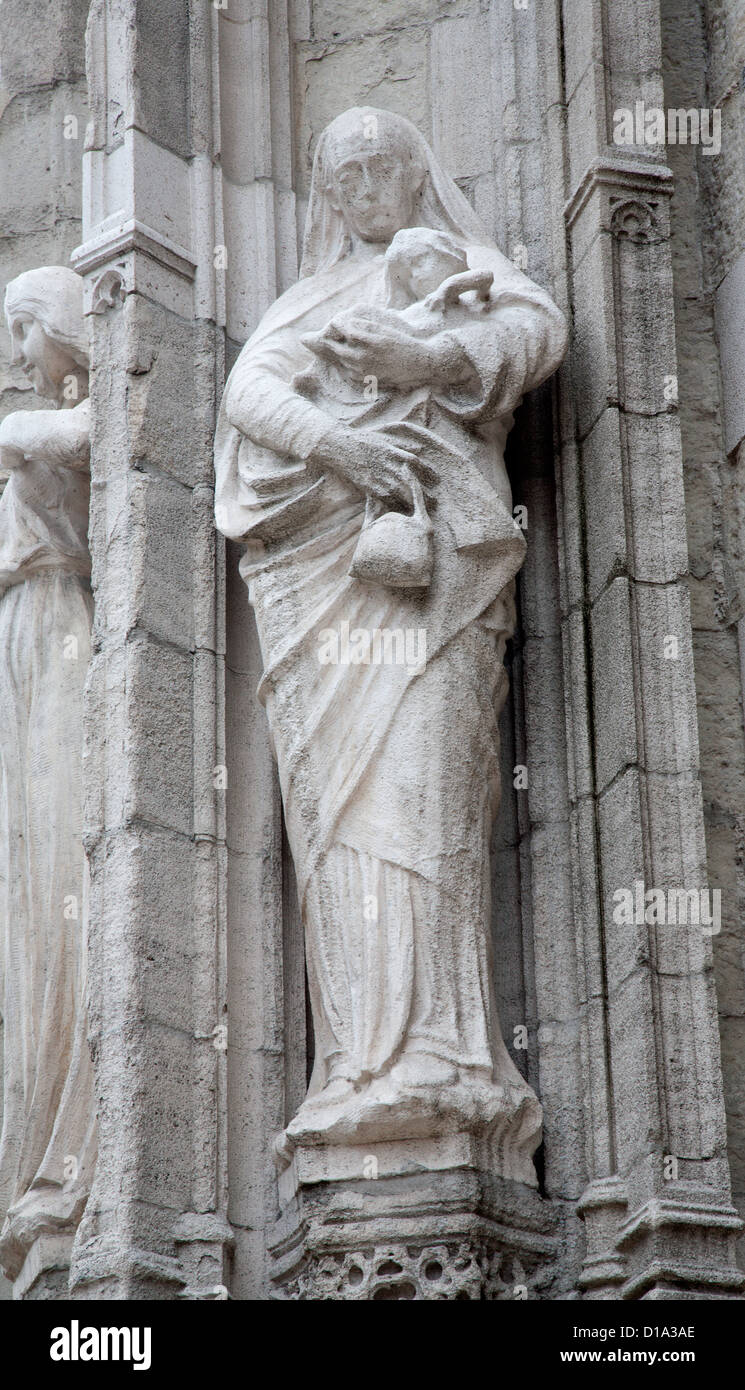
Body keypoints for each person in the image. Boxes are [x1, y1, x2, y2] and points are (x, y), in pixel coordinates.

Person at [214, 108, 567, 1178]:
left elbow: (536, 333)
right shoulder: (306, 300)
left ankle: (451, 1054)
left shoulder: (463, 271)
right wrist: (343, 447)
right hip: (330, 588)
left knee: (425, 794)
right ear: (323, 194)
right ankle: (359, 1062)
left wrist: (425, 352)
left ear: (416, 172)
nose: (362, 187)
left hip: (434, 589)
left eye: (379, 167)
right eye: (341, 175)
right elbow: (246, 392)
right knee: (339, 822)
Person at [0, 266, 95, 1279]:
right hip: (22, 662)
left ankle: (71, 1166)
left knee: (62, 891)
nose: (18, 358)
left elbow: (71, 441)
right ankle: (36, 1170)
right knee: (29, 917)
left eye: (24, 333)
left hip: (64, 650)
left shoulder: (74, 421)